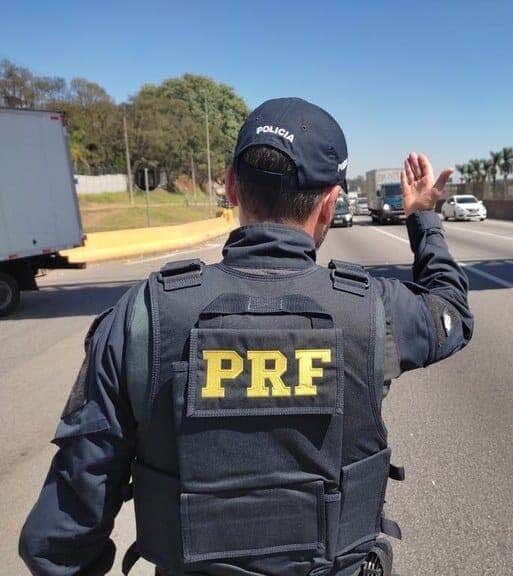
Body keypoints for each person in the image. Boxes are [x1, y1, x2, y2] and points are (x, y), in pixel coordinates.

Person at [19, 97, 473, 576]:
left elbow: (61, 536)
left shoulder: (143, 317)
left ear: (232, 186)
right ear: (329, 204)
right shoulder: (374, 309)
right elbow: (452, 314)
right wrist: (423, 218)